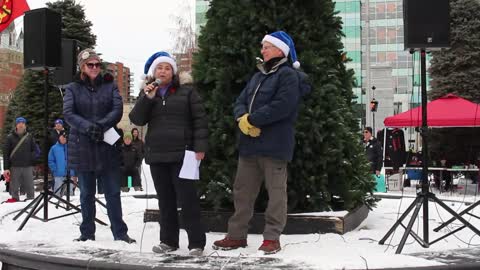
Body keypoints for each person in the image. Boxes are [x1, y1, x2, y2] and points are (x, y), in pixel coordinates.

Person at [213, 31, 310, 255]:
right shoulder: (257, 76)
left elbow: (283, 106)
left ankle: (272, 238)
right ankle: (237, 236)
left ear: (280, 50)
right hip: (249, 145)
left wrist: (253, 119)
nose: (262, 50)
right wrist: (242, 118)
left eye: (266, 46)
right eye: (263, 46)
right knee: (242, 192)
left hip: (275, 145)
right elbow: (240, 101)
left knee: (276, 193)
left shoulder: (288, 76)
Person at [129, 51, 208, 256]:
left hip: (184, 155)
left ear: (173, 72)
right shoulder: (148, 94)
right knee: (165, 201)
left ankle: (196, 243)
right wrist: (147, 99)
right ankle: (168, 241)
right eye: (159, 68)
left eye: (167, 68)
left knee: (188, 200)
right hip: (157, 155)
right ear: (153, 72)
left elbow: (200, 120)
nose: (163, 71)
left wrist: (200, 147)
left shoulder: (187, 92)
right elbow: (136, 119)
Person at [63, 48, 135, 243]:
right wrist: (88, 128)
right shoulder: (72, 88)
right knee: (86, 193)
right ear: (82, 67)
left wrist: (100, 126)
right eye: (90, 65)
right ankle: (87, 233)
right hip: (83, 147)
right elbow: (68, 114)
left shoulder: (110, 86)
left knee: (113, 192)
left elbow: (117, 109)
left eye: (97, 64)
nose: (94, 68)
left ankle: (120, 233)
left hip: (106, 146)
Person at [2, 117, 37, 203]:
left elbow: (34, 150)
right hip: (14, 166)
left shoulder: (29, 137)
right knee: (14, 185)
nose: (21, 125)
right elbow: (6, 153)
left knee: (29, 184)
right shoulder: (10, 137)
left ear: (25, 125)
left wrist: (31, 159)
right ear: (16, 125)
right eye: (19, 123)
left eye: (23, 123)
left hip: (27, 165)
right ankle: (15, 198)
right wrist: (6, 168)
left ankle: (30, 199)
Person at [48, 130, 77, 196]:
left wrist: (74, 172)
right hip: (58, 174)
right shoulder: (54, 148)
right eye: (62, 136)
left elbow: (75, 159)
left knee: (70, 194)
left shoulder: (71, 147)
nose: (64, 138)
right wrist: (55, 169)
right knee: (57, 193)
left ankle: (70, 204)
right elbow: (50, 160)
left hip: (70, 174)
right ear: (59, 137)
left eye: (65, 137)